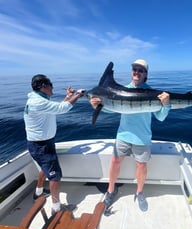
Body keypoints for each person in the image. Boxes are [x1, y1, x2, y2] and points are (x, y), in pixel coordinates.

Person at [90, 59, 170, 212]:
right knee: (114, 162)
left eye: (141, 70)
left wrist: (165, 105)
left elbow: (160, 117)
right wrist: (98, 106)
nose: (137, 72)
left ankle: (139, 193)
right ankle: (111, 190)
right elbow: (114, 108)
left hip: (142, 137)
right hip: (123, 135)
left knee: (141, 165)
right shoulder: (122, 90)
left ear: (145, 74)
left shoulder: (154, 94)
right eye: (135, 69)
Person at [24, 74, 84, 214]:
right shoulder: (38, 102)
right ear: (44, 86)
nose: (53, 88)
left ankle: (38, 193)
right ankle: (56, 209)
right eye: (51, 85)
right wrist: (78, 95)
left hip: (41, 143)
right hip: (42, 146)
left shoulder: (37, 99)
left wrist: (69, 96)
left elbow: (57, 107)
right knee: (55, 176)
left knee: (45, 169)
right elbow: (63, 108)